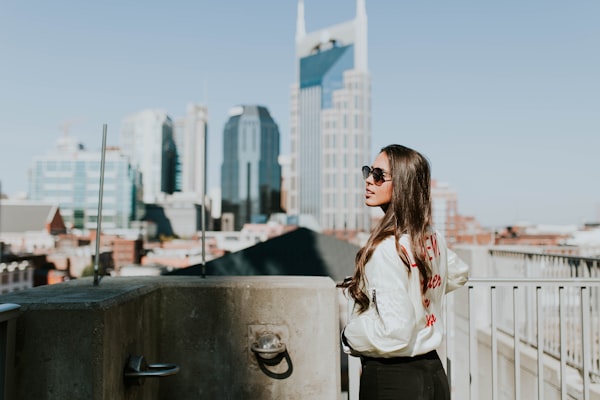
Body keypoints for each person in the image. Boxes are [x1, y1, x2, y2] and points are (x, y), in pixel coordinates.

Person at [339, 144, 469, 400]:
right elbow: (458, 273)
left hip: (393, 378)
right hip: (433, 373)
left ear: (402, 185)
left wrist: (349, 334)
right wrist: (420, 295)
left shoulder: (387, 248)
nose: (368, 180)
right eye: (369, 171)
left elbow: (394, 332)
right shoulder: (429, 237)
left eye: (378, 175)